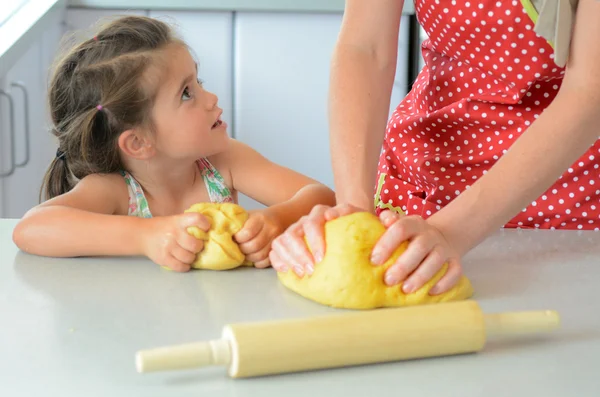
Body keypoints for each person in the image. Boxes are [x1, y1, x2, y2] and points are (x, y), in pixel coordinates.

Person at [269, 0, 600, 293]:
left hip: (566, 199)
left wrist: (450, 231)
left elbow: (589, 93)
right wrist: (355, 210)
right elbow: (364, 47)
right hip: (422, 182)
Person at [12, 16, 335, 271]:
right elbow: (31, 228)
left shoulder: (224, 161)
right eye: (186, 93)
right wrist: (146, 236)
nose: (211, 99)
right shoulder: (115, 190)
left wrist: (277, 219)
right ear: (139, 142)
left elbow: (324, 198)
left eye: (199, 81)